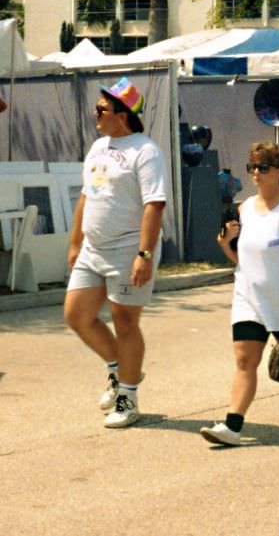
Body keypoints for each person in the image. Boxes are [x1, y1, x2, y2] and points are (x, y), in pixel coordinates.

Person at [64, 77, 167, 428]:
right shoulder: (97, 147)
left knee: (125, 323)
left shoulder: (146, 151)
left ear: (122, 115)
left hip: (127, 248)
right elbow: (86, 196)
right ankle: (117, 369)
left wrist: (144, 254)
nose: (96, 114)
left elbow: (154, 205)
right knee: (77, 315)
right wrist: (76, 241)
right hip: (93, 249)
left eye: (101, 110)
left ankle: (129, 395)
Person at [200, 142, 279, 445]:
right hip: (248, 298)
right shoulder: (245, 208)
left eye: (263, 167)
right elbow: (247, 260)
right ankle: (233, 425)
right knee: (244, 360)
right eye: (251, 167)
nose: (256, 173)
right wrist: (227, 245)